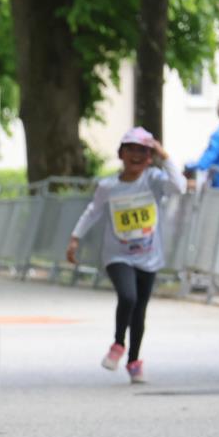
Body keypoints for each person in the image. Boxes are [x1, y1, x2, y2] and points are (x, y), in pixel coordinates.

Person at [66, 126, 186, 384]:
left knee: (140, 309)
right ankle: (118, 343)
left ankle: (134, 361)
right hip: (117, 255)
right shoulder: (108, 186)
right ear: (120, 153)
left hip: (149, 255)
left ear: (150, 157)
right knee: (128, 296)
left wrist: (164, 155)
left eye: (143, 151)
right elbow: (93, 211)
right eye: (130, 149)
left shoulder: (153, 180)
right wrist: (75, 238)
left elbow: (180, 186)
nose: (136, 155)